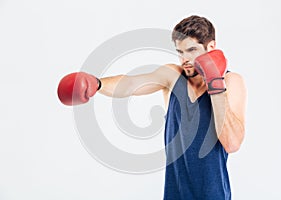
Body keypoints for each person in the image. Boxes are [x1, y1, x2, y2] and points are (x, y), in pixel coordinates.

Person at [57, 15, 247, 200]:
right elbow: (131, 84)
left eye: (192, 50)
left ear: (211, 47)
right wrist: (97, 84)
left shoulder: (231, 82)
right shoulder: (173, 76)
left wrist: (215, 83)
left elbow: (232, 143)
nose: (185, 60)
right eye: (180, 52)